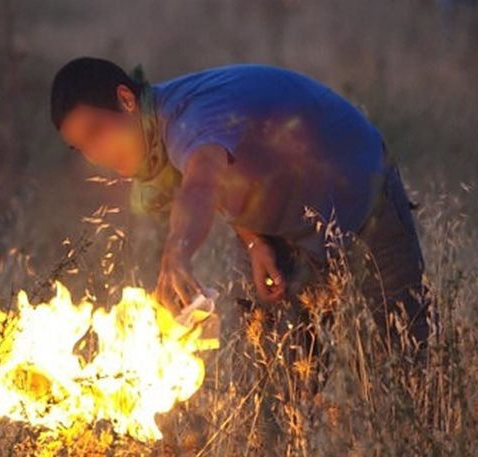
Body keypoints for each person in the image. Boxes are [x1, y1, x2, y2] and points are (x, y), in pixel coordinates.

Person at [49, 58, 430, 349]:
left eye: (96, 132)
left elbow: (201, 182)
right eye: (82, 147)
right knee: (272, 390)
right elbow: (223, 177)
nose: (95, 155)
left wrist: (177, 253)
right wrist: (253, 241)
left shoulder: (187, 118)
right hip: (279, 227)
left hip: (362, 200)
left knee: (406, 360)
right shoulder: (153, 139)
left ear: (126, 99)